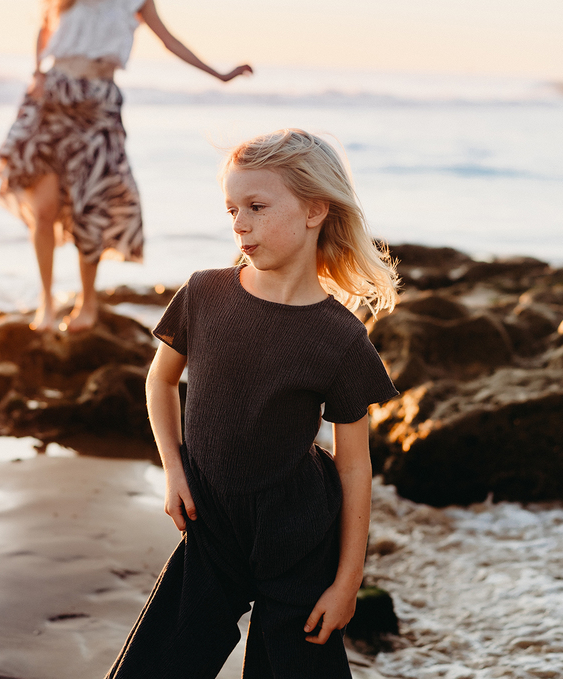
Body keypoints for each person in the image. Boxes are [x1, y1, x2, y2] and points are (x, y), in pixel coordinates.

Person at [106, 129, 401, 678]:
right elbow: (159, 382)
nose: (239, 223)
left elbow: (354, 465)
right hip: (210, 523)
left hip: (298, 535)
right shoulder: (205, 294)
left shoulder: (340, 338)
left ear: (315, 210)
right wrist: (174, 471)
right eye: (232, 209)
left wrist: (347, 583)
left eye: (257, 207)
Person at [0, 0, 253, 332]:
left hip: (98, 108)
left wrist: (218, 74)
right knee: (43, 209)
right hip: (51, 103)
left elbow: (168, 39)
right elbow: (44, 29)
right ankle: (46, 302)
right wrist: (37, 72)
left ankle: (87, 303)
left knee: (91, 206)